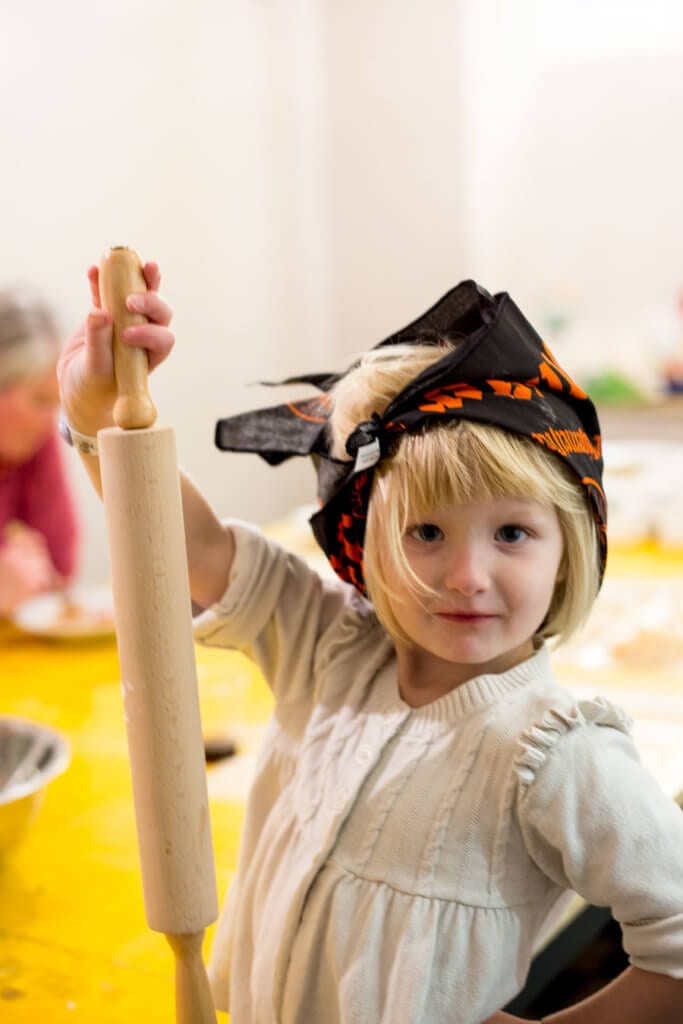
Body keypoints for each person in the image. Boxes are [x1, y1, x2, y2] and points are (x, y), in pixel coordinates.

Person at [57, 264, 683, 1024]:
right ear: (364, 540)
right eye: (425, 532)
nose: (465, 576)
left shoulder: (556, 752)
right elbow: (182, 545)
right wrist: (99, 420)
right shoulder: (325, 643)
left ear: (568, 550)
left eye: (511, 532)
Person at [0, 286, 80, 616]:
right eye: (39, 401)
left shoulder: (36, 443)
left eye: (56, 404)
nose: (50, 424)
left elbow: (60, 567)